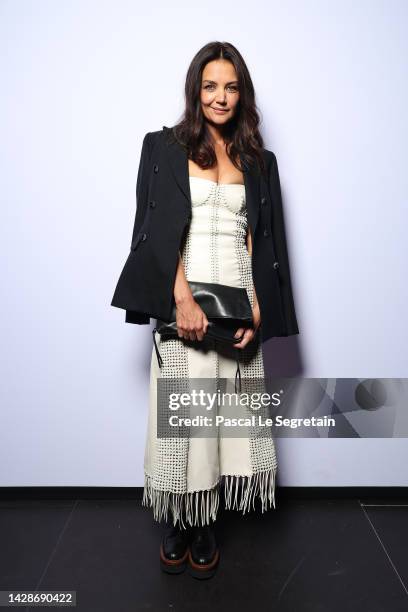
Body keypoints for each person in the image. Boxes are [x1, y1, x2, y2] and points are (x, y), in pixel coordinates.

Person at [111, 41, 299, 580]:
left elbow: (260, 243)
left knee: (224, 420)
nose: (221, 97)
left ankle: (207, 520)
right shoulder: (163, 147)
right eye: (211, 85)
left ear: (243, 94)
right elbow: (149, 231)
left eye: (231, 86)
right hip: (185, 301)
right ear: (196, 89)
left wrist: (260, 309)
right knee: (183, 420)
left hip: (238, 303)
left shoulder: (258, 162)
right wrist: (181, 298)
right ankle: (179, 520)